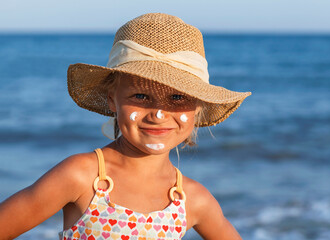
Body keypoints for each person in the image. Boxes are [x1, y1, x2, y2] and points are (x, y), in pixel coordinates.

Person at [0, 13, 251, 240]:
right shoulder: (81, 176)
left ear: (197, 108)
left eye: (177, 97)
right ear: (112, 99)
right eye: (141, 96)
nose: (158, 114)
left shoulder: (192, 199)